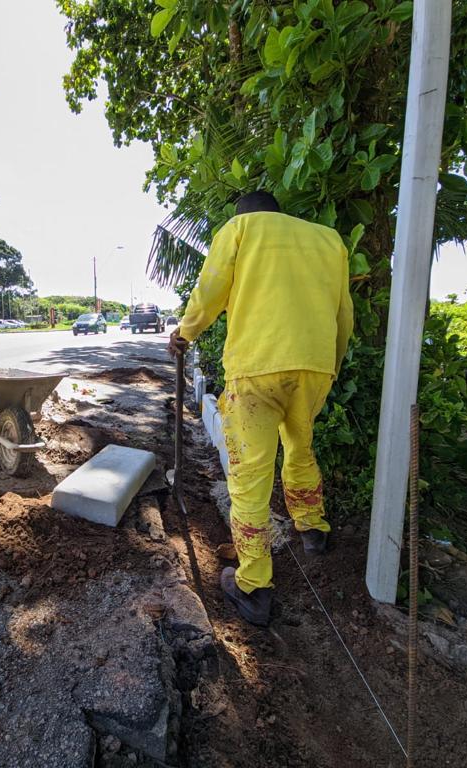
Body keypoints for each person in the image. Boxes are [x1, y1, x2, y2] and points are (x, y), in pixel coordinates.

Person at [169, 191, 353, 626]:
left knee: (250, 478)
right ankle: (312, 530)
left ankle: (253, 586)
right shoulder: (329, 240)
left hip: (256, 370)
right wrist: (329, 364)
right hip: (315, 366)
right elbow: (343, 313)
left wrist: (185, 332)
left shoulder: (241, 229)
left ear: (245, 213)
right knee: (301, 448)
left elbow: (210, 289)